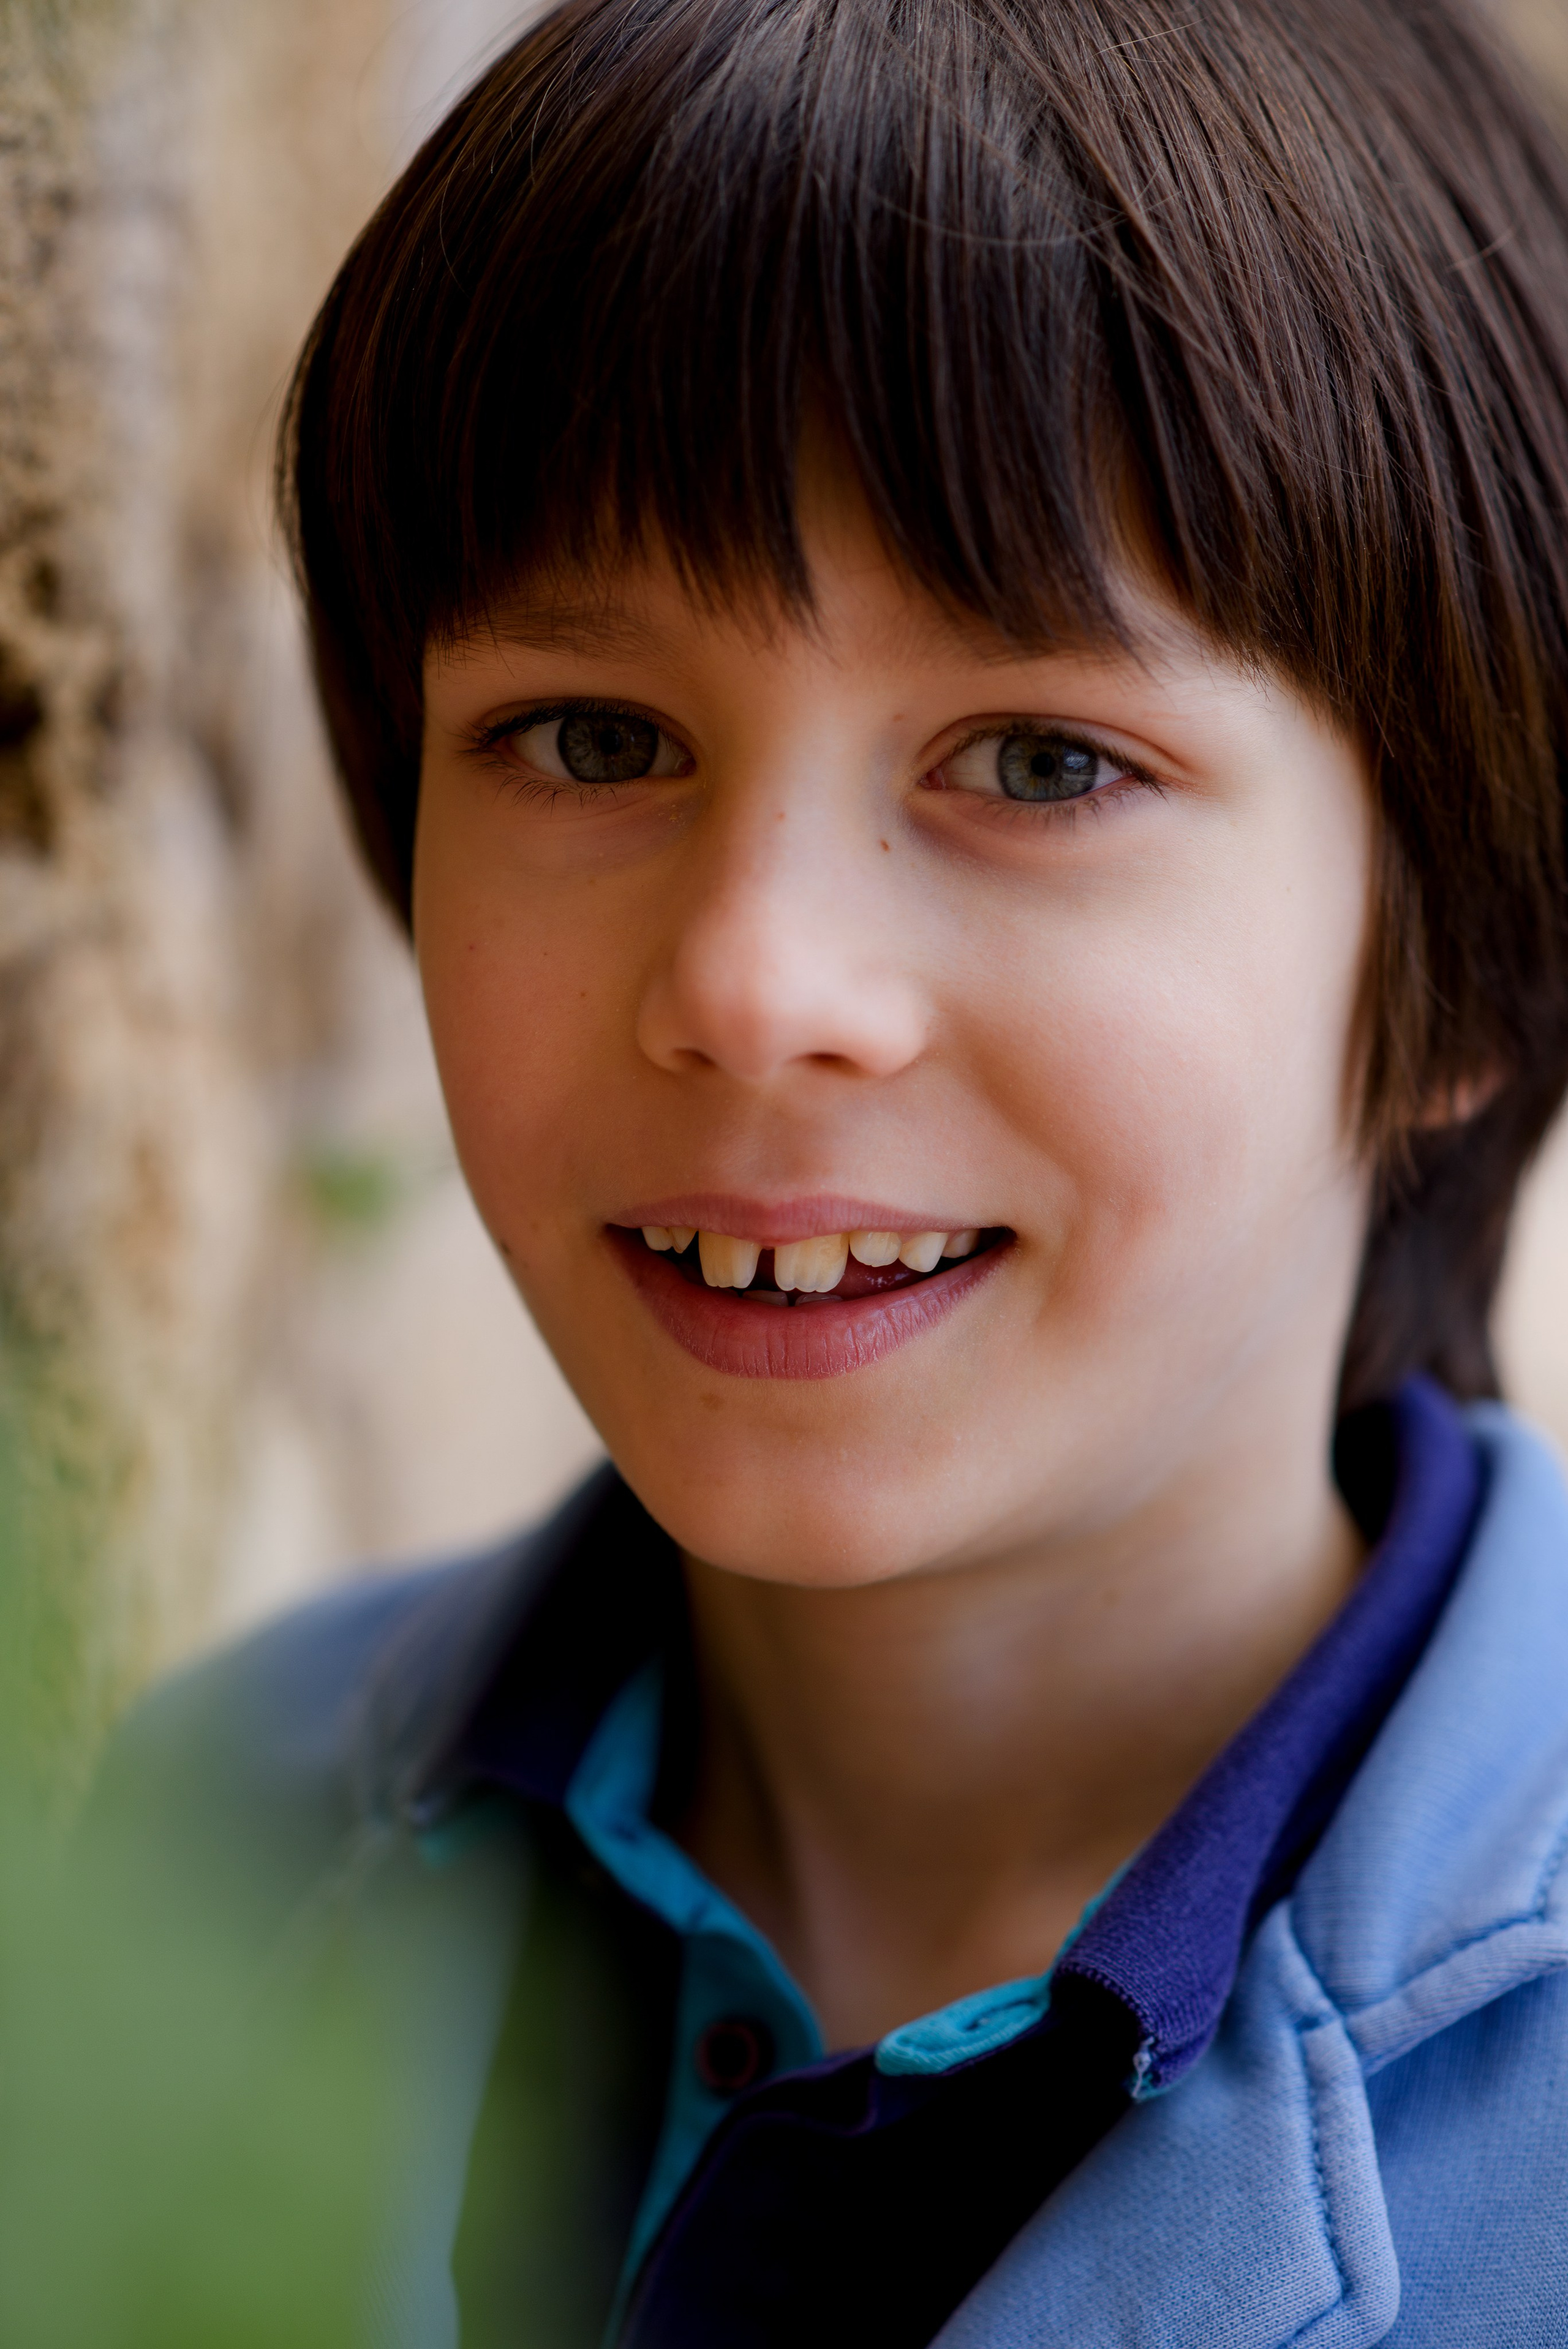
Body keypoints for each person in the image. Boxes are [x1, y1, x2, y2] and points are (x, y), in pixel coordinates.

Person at [18, 0, 1568, 2342]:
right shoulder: (212, 1831)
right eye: (594, 734)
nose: (752, 980)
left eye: (1039, 760)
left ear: (1463, 954)